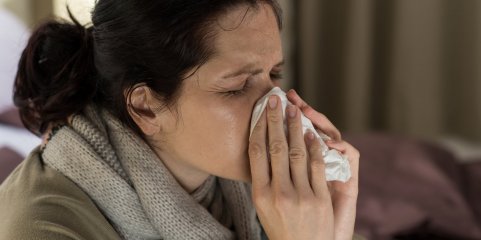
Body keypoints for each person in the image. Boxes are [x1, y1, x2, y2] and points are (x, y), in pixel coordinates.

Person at [0, 0, 360, 239]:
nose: (279, 108)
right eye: (236, 87)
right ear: (145, 106)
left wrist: (333, 226)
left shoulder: (250, 194)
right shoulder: (44, 227)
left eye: (274, 74)